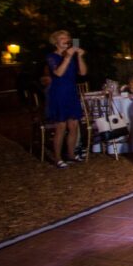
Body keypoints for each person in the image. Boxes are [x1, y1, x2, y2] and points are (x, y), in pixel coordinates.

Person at [45, 30, 87, 168]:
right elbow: (58, 73)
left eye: (67, 38)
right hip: (58, 93)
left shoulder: (71, 56)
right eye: (62, 38)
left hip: (71, 92)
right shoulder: (52, 56)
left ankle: (70, 154)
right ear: (56, 42)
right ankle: (57, 158)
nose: (66, 40)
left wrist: (79, 56)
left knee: (74, 125)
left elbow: (83, 72)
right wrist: (68, 57)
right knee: (61, 126)